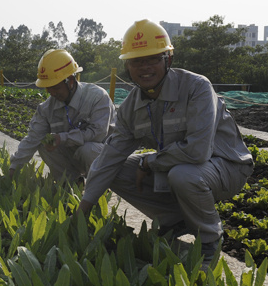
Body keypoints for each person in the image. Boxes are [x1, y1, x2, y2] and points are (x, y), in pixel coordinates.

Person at [76, 19, 254, 262]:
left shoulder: (196, 87)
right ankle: (176, 220)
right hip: (176, 165)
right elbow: (109, 158)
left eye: (153, 59)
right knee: (111, 168)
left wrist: (149, 162)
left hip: (226, 166)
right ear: (128, 66)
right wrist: (82, 211)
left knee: (183, 175)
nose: (145, 67)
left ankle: (209, 240)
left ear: (168, 60)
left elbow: (198, 152)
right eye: (136, 61)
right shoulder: (131, 106)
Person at [9, 49, 116, 184]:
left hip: (103, 154)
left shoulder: (97, 97)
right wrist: (14, 168)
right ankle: (71, 182)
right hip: (74, 154)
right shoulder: (46, 108)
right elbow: (32, 138)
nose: (52, 93)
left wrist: (63, 138)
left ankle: (101, 185)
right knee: (44, 142)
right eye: (48, 88)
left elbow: (98, 134)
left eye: (55, 87)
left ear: (70, 81)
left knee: (87, 150)